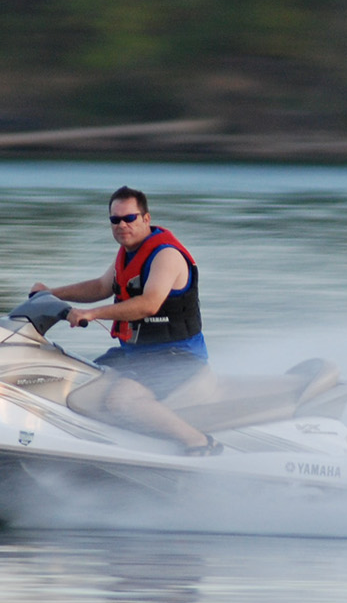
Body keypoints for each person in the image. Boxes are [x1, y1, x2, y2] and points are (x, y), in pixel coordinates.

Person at [31, 186, 220, 454]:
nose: (121, 225)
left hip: (177, 357)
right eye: (115, 220)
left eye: (129, 218)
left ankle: (200, 443)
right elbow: (100, 287)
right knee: (76, 380)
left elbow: (149, 304)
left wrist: (92, 313)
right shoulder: (128, 253)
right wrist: (49, 293)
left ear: (145, 219)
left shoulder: (166, 255)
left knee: (122, 400)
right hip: (137, 355)